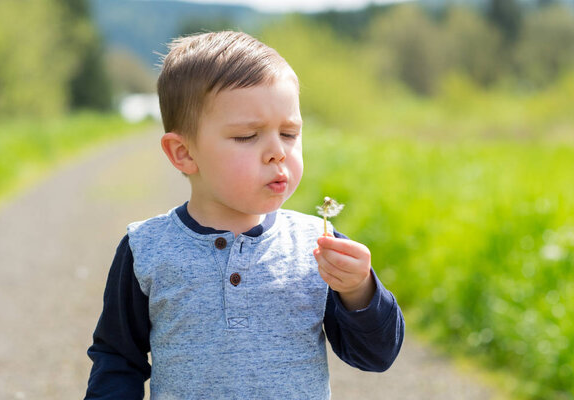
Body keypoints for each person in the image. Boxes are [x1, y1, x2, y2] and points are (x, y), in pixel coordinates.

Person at [84, 31, 404, 400]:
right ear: (184, 153)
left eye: (289, 133)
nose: (277, 153)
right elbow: (117, 358)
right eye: (248, 136)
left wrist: (359, 291)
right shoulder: (147, 249)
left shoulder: (317, 245)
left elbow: (376, 356)